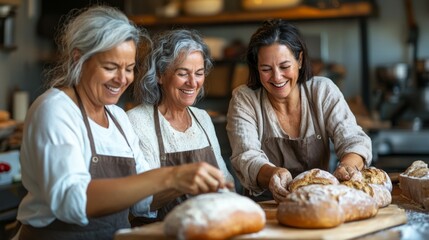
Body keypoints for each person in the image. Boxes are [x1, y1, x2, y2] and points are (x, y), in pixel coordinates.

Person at [15, 6, 228, 240]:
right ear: (79, 59)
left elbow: (142, 201)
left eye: (129, 69)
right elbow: (72, 200)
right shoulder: (56, 110)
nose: (122, 79)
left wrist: (188, 182)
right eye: (110, 67)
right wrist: (172, 176)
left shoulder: (117, 117)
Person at [226, 19, 372, 203]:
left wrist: (348, 167)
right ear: (256, 67)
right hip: (265, 207)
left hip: (319, 203)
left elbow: (354, 140)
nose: (277, 77)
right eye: (266, 69)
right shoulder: (245, 99)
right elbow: (245, 156)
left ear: (300, 60)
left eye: (284, 66)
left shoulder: (322, 91)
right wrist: (272, 175)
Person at [127, 29, 235, 222]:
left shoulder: (203, 119)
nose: (193, 83)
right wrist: (183, 183)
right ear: (160, 75)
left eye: (199, 73)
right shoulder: (137, 121)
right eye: (182, 73)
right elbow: (140, 203)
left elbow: (226, 179)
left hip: (209, 228)